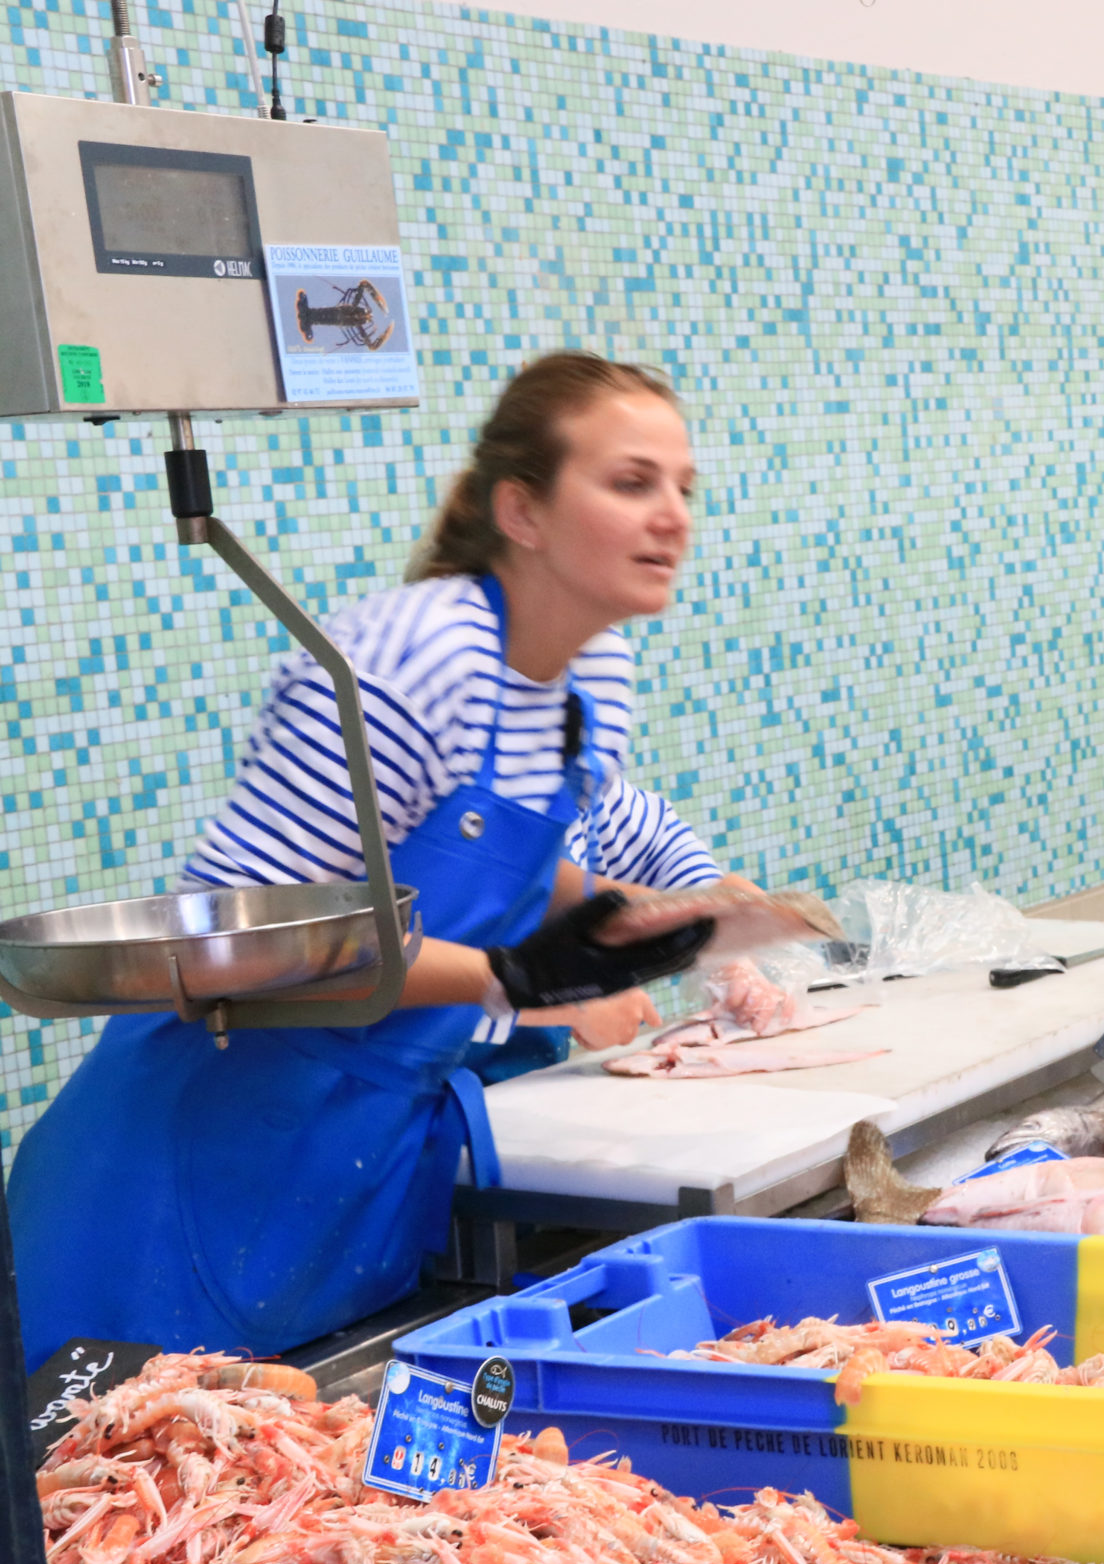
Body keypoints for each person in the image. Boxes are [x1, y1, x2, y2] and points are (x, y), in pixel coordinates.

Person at [7, 351, 742, 1368]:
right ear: (521, 512)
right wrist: (510, 982)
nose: (673, 517)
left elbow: (512, 869)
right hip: (174, 1181)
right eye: (631, 483)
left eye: (683, 489)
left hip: (353, 1174)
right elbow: (240, 935)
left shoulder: (595, 672)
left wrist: (641, 916)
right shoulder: (405, 664)